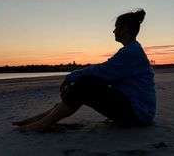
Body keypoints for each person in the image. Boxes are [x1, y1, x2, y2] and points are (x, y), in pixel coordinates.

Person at [13, 9, 156, 132]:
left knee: (85, 84)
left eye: (116, 26)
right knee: (86, 82)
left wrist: (72, 76)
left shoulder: (132, 52)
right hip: (136, 112)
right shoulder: (132, 50)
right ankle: (43, 118)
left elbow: (102, 71)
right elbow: (104, 73)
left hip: (138, 115)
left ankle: (42, 124)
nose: (113, 30)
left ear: (124, 29)